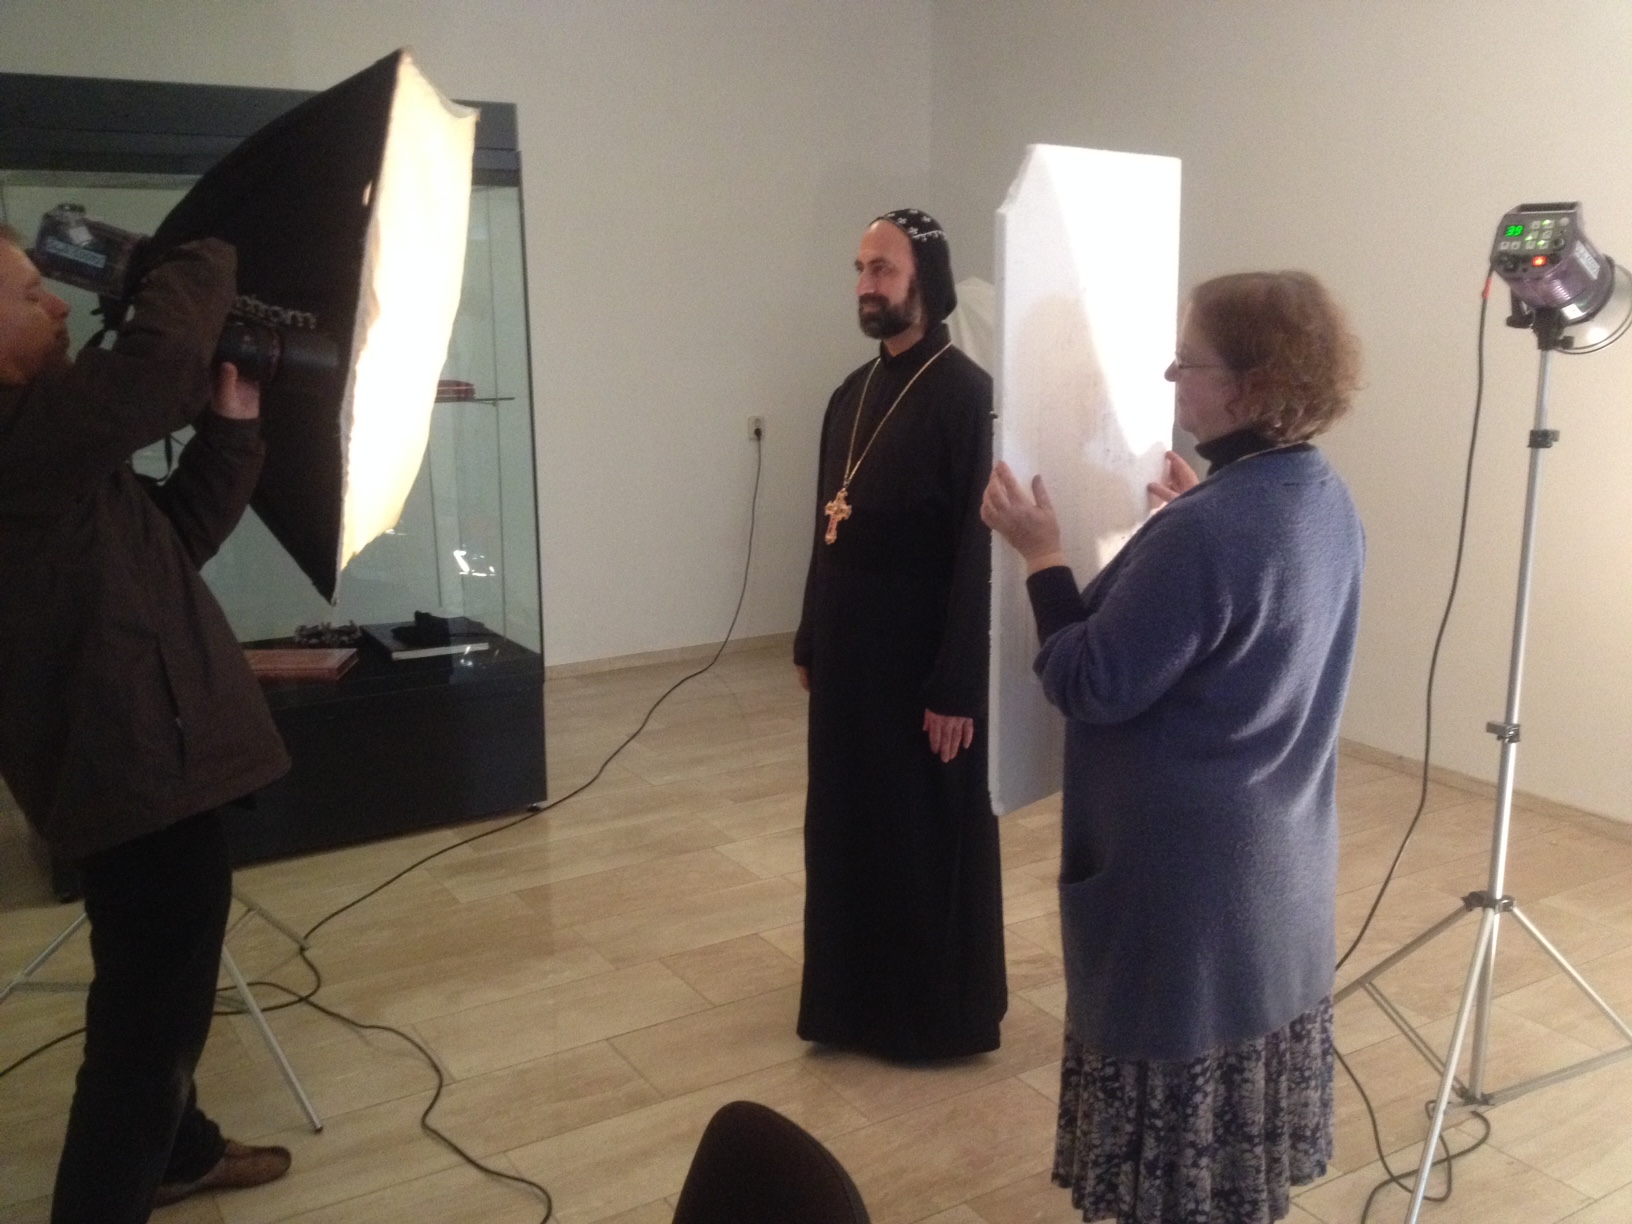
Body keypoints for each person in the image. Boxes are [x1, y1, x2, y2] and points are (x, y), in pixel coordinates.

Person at [981, 271, 1364, 1223]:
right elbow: (1241, 624)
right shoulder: (1319, 494)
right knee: (1232, 1144)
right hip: (1275, 872)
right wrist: (1200, 510)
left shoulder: (1206, 532)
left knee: (1171, 1170)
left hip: (1189, 889)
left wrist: (1040, 554)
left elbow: (1088, 680)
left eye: (1187, 361)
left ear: (1251, 385)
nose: (1168, 375)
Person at [0, 226, 295, 1222]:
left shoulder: (47, 451)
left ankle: (183, 1151)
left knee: (151, 989)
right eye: (32, 292)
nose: (60, 307)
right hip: (128, 776)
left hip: (137, 766)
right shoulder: (17, 435)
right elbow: (161, 359)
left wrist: (232, 428)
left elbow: (167, 543)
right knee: (142, 1032)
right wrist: (195, 252)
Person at [792, 209, 1006, 1060]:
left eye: (882, 270)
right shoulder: (851, 391)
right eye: (859, 269)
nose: (865, 286)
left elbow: (975, 547)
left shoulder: (967, 394)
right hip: (849, 659)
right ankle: (848, 1002)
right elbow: (826, 523)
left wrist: (959, 682)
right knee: (845, 827)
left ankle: (929, 1017)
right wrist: (811, 635)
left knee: (920, 837)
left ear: (928, 279)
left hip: (921, 661)